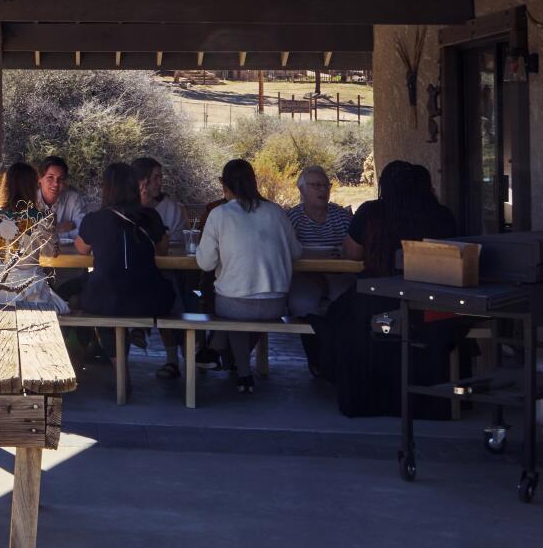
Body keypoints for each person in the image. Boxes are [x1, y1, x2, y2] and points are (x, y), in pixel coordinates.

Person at [318, 160, 461, 416]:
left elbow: (351, 254)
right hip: (429, 307)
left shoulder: (371, 212)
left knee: (337, 318)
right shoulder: (441, 214)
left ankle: (360, 392)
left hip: (377, 301)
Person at [195, 159, 301, 393]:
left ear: (225, 186)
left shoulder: (219, 214)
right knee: (240, 302)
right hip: (276, 303)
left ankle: (238, 368)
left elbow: (205, 262)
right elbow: (296, 252)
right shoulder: (276, 212)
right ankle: (228, 362)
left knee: (231, 302)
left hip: (236, 304)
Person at [72, 162, 181, 372]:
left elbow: (81, 248)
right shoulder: (150, 216)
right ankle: (173, 356)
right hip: (149, 301)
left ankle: (90, 360)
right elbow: (163, 249)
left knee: (75, 295)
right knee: (173, 288)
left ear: (106, 188)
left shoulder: (94, 219)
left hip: (105, 301)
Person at [0, 162, 65, 312]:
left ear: (5, 185)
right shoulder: (41, 217)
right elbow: (52, 253)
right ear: (32, 187)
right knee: (62, 308)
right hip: (30, 296)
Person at [285, 165, 356, 338]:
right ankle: (315, 354)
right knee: (302, 305)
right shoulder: (292, 218)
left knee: (349, 303)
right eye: (316, 185)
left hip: (340, 276)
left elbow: (353, 250)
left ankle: (337, 354)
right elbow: (286, 254)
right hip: (304, 277)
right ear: (301, 188)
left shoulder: (341, 216)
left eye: (326, 185)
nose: (323, 190)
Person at [131, 156, 187, 242]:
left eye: (161, 177)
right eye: (155, 178)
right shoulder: (125, 208)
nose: (160, 182)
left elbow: (178, 244)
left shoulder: (172, 209)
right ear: (140, 181)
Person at [35, 156, 86, 234]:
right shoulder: (30, 200)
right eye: (50, 177)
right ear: (39, 178)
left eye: (60, 178)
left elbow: (84, 232)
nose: (56, 183)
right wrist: (56, 230)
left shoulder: (74, 199)